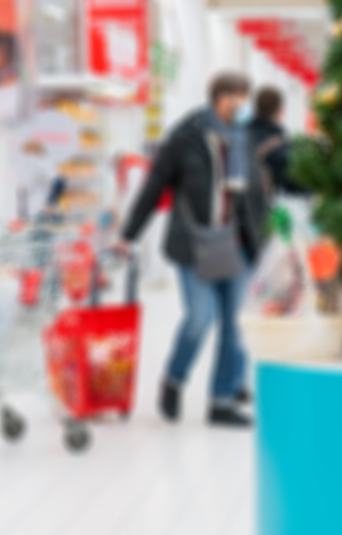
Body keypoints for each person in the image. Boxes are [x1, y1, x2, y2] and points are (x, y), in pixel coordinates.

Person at [118, 72, 260, 428]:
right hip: (195, 245)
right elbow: (154, 186)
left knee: (235, 324)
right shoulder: (186, 137)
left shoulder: (243, 139)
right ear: (220, 99)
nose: (242, 106)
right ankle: (174, 379)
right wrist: (129, 234)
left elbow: (254, 193)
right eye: (237, 98)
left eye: (246, 98)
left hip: (237, 244)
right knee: (200, 318)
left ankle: (222, 401)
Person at [245, 85, 305, 242]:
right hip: (271, 218)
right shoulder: (282, 146)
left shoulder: (239, 137)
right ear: (279, 111)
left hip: (240, 222)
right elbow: (296, 185)